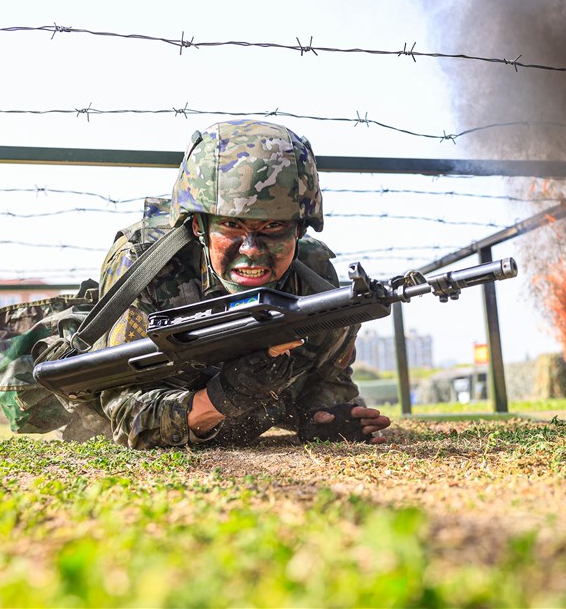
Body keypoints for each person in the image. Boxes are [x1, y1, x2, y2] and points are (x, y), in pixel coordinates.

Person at [61, 119, 391, 448]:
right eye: (231, 226)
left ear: (299, 230)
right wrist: (221, 397)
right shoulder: (145, 267)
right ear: (198, 227)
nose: (251, 250)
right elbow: (124, 412)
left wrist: (322, 418)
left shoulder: (316, 283)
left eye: (273, 226)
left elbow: (327, 382)